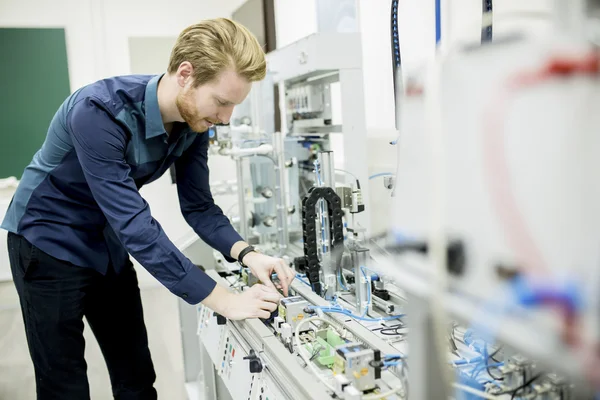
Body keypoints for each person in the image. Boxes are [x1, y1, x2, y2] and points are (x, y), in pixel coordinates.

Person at [1, 18, 295, 400]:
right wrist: (225, 300)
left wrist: (248, 254)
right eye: (222, 102)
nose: (225, 118)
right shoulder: (98, 111)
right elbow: (136, 226)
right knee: (64, 384)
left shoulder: (194, 124)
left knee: (136, 375)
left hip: (104, 243)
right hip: (46, 241)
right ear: (186, 74)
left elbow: (200, 206)